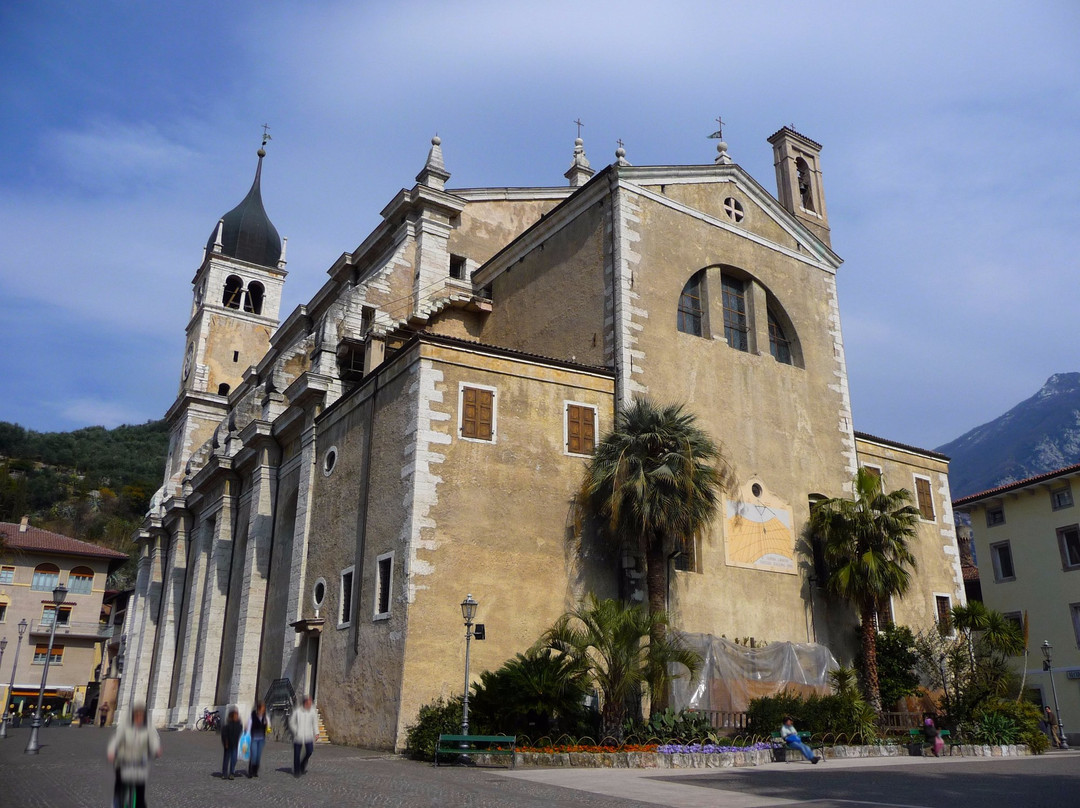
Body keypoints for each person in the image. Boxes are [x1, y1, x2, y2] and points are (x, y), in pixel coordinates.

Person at [107, 701, 162, 808]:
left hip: (139, 759)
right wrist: (112, 752)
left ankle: (140, 805)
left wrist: (156, 749)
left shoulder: (149, 727)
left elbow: (154, 739)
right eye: (137, 715)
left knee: (140, 787)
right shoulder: (124, 726)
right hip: (123, 758)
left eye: (141, 715)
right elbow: (115, 740)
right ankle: (117, 803)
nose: (139, 717)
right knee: (120, 783)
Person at [289, 696, 319, 777]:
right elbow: (292, 722)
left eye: (311, 703)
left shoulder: (312, 712)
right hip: (298, 736)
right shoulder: (298, 711)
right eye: (309, 703)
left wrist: (316, 733)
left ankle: (302, 764)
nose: (310, 705)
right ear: (305, 703)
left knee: (309, 751)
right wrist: (296, 731)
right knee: (297, 754)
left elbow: (314, 723)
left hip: (308, 735)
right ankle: (297, 771)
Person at [246, 700, 269, 777]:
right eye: (262, 708)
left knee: (258, 755)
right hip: (254, 738)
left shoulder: (265, 717)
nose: (264, 710)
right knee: (254, 755)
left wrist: (267, 727)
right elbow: (249, 726)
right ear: (259, 709)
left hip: (261, 738)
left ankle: (255, 771)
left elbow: (267, 726)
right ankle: (250, 771)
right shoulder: (253, 716)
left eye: (264, 708)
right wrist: (248, 736)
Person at [220, 707, 243, 780]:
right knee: (226, 759)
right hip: (228, 744)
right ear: (231, 716)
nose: (236, 717)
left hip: (235, 744)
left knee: (234, 759)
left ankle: (232, 773)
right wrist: (225, 743)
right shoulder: (227, 725)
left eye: (237, 715)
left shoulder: (239, 725)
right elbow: (224, 735)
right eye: (235, 715)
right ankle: (224, 773)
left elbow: (240, 734)